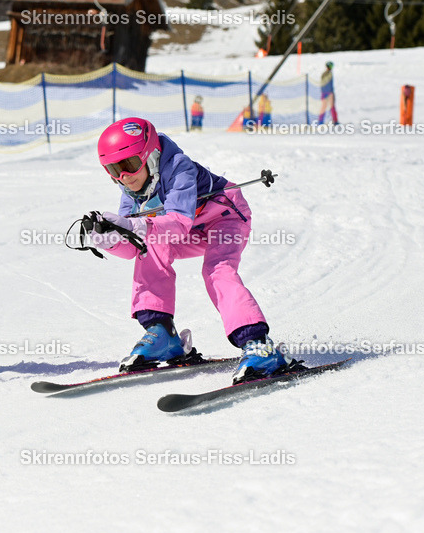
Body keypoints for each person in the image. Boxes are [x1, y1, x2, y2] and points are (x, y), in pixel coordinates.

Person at [83, 117, 298, 384]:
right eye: (113, 169)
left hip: (225, 218)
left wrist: (134, 225)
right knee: (149, 249)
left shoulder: (178, 167)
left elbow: (178, 224)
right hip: (189, 228)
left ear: (150, 155)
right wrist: (110, 239)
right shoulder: (130, 190)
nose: (123, 176)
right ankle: (162, 334)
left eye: (129, 165)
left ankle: (259, 345)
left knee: (217, 270)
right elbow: (132, 249)